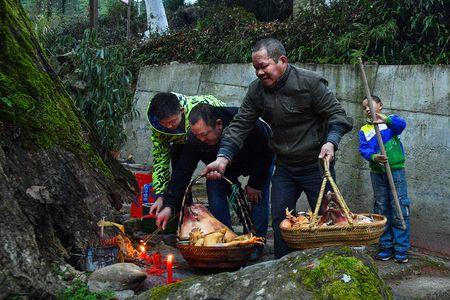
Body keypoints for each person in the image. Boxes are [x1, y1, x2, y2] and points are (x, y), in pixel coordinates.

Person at [204, 38, 353, 258]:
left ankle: (332, 270)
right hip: (285, 167)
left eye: (264, 66)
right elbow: (239, 126)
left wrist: (331, 142)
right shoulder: (256, 91)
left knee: (328, 219)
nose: (259, 73)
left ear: (282, 60)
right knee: (281, 221)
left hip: (317, 166)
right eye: (256, 68)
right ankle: (283, 270)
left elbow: (339, 116)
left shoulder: (309, 83)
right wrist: (223, 158)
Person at [153, 104, 274, 257]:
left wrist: (256, 183)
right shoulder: (195, 138)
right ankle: (224, 241)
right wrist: (169, 205)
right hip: (220, 168)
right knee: (214, 189)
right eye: (197, 136)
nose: (202, 139)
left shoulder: (246, 123)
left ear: (219, 124)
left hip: (258, 158)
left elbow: (267, 151)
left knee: (257, 197)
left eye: (205, 134)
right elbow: (182, 172)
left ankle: (255, 245)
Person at [146, 92, 225, 211]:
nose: (169, 127)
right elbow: (160, 159)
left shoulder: (202, 111)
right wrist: (160, 196)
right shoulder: (157, 128)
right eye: (164, 123)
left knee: (214, 181)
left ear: (181, 110)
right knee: (178, 167)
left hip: (212, 140)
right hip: (183, 144)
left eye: (172, 121)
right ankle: (184, 208)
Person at [358, 95, 411, 263]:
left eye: (370, 106)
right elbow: (364, 149)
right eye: (364, 107)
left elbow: (401, 125)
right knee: (381, 207)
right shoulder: (364, 130)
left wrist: (385, 119)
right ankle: (386, 245)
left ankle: (401, 247)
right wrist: (374, 156)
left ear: (380, 105)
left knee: (399, 205)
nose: (367, 109)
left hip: (396, 171)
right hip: (377, 172)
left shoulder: (390, 123)